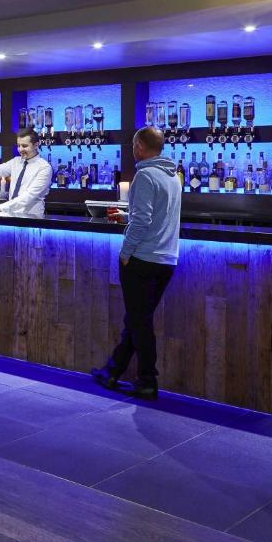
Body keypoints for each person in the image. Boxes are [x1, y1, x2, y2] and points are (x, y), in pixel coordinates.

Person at [92, 127, 181, 400]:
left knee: (139, 322)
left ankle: (147, 380)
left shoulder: (144, 174)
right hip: (167, 259)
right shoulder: (173, 176)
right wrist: (127, 217)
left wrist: (125, 251)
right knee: (137, 319)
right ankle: (113, 371)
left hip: (142, 258)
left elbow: (142, 222)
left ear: (140, 146)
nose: (132, 150)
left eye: (133, 145)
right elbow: (155, 218)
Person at [0, 128, 53, 217]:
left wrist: (0, 207)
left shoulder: (44, 167)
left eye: (24, 146)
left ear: (36, 145)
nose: (20, 149)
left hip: (31, 218)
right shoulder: (16, 161)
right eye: (18, 145)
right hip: (11, 215)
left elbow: (29, 196)